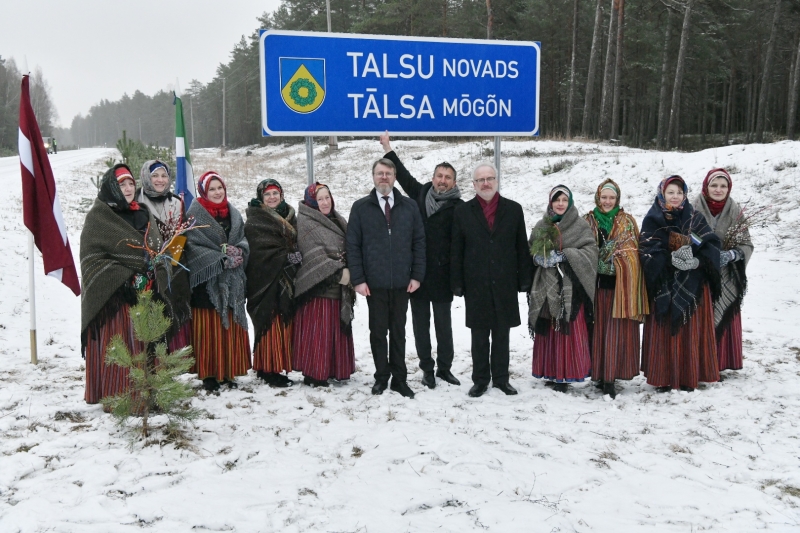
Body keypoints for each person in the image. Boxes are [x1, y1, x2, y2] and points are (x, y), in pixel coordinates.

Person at [80, 164, 182, 404]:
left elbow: (158, 248)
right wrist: (127, 278)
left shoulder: (143, 212)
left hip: (148, 291)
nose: (127, 189)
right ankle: (121, 397)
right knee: (124, 344)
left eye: (129, 184)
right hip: (115, 299)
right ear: (111, 188)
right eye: (121, 184)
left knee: (148, 340)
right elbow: (92, 259)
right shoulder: (99, 216)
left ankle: (149, 393)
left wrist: (154, 269)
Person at [380, 132, 464, 388]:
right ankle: (427, 368)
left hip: (443, 278)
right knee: (420, 327)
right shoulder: (419, 194)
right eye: (439, 176)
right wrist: (387, 147)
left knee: (443, 326)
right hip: (417, 275)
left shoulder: (460, 208)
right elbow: (402, 175)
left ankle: (445, 368)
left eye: (448, 178)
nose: (443, 181)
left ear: (454, 182)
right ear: (433, 178)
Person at [451, 163, 532, 398]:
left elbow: (520, 247)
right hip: (475, 282)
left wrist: (524, 279)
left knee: (501, 333)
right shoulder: (463, 212)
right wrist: (457, 282)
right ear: (474, 185)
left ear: (496, 181)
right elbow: (457, 249)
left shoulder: (514, 210)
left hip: (504, 281)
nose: (485, 183)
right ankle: (480, 380)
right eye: (480, 180)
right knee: (478, 334)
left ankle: (501, 379)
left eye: (489, 179)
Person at [346, 159, 426, 398]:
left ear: (394, 177)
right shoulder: (361, 207)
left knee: (399, 332)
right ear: (373, 177)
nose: (384, 177)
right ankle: (382, 377)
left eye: (388, 173)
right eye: (380, 173)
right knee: (378, 332)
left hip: (403, 282)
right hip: (374, 284)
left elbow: (419, 243)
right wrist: (358, 279)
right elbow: (353, 246)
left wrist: (417, 275)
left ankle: (400, 379)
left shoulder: (409, 206)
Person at [639, 176, 721, 392]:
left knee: (689, 331)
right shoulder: (653, 218)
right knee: (665, 330)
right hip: (664, 284)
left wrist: (698, 261)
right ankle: (663, 376)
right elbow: (647, 249)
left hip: (692, 283)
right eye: (670, 192)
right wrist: (667, 259)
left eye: (679, 192)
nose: (675, 197)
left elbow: (711, 244)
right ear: (662, 194)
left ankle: (690, 374)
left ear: (685, 195)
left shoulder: (695, 217)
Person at [184, 171, 251, 391]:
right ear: (204, 191)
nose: (216, 192)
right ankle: (209, 374)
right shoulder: (194, 214)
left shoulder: (233, 213)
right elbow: (192, 246)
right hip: (206, 283)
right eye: (211, 189)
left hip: (232, 283)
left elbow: (242, 239)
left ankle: (228, 371)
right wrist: (219, 259)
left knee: (229, 326)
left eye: (219, 188)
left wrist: (239, 251)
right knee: (209, 329)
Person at [583, 179, 648, 398]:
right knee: (598, 331)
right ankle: (599, 374)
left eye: (612, 198)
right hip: (596, 287)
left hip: (619, 286)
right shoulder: (588, 221)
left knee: (615, 332)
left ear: (617, 199)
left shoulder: (627, 221)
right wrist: (596, 261)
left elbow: (633, 251)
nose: (608, 201)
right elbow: (583, 250)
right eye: (604, 197)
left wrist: (618, 260)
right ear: (598, 198)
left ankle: (612, 377)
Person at [529, 185, 597, 393]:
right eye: (556, 200)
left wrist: (566, 255)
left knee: (567, 328)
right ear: (550, 202)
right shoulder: (542, 225)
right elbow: (531, 247)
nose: (560, 204)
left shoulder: (580, 225)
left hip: (571, 288)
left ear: (570, 202)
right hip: (546, 285)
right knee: (549, 329)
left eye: (564, 200)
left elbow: (591, 251)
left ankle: (566, 373)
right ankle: (550, 371)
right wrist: (537, 257)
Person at [293, 183, 356, 387]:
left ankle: (333, 369)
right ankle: (315, 373)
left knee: (334, 331)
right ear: (312, 201)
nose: (325, 202)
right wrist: (339, 272)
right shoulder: (306, 222)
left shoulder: (338, 219)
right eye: (320, 199)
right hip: (318, 288)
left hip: (339, 288)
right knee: (319, 333)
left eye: (327, 197)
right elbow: (314, 253)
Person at [693, 168, 753, 374]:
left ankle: (719, 362)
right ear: (706, 187)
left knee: (722, 314)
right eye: (714, 185)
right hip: (700, 273)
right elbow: (683, 238)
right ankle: (700, 363)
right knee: (700, 318)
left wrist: (733, 255)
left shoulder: (735, 211)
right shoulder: (693, 208)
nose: (718, 190)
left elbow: (746, 243)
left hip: (726, 275)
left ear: (729, 188)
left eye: (723, 186)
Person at [245, 179, 300, 387]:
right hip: (264, 282)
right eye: (267, 194)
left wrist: (295, 256)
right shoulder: (254, 220)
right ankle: (268, 368)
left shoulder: (291, 216)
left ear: (282, 195)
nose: (271, 197)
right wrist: (284, 256)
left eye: (275, 193)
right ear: (261, 197)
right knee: (268, 323)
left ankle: (277, 364)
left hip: (286, 281)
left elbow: (297, 244)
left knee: (283, 324)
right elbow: (258, 253)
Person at [137, 160, 191, 352]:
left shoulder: (176, 202)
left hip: (172, 269)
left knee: (169, 315)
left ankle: (166, 365)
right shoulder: (136, 201)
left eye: (164, 175)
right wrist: (150, 260)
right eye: (155, 175)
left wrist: (170, 259)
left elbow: (182, 235)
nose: (160, 180)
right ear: (146, 177)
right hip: (145, 270)